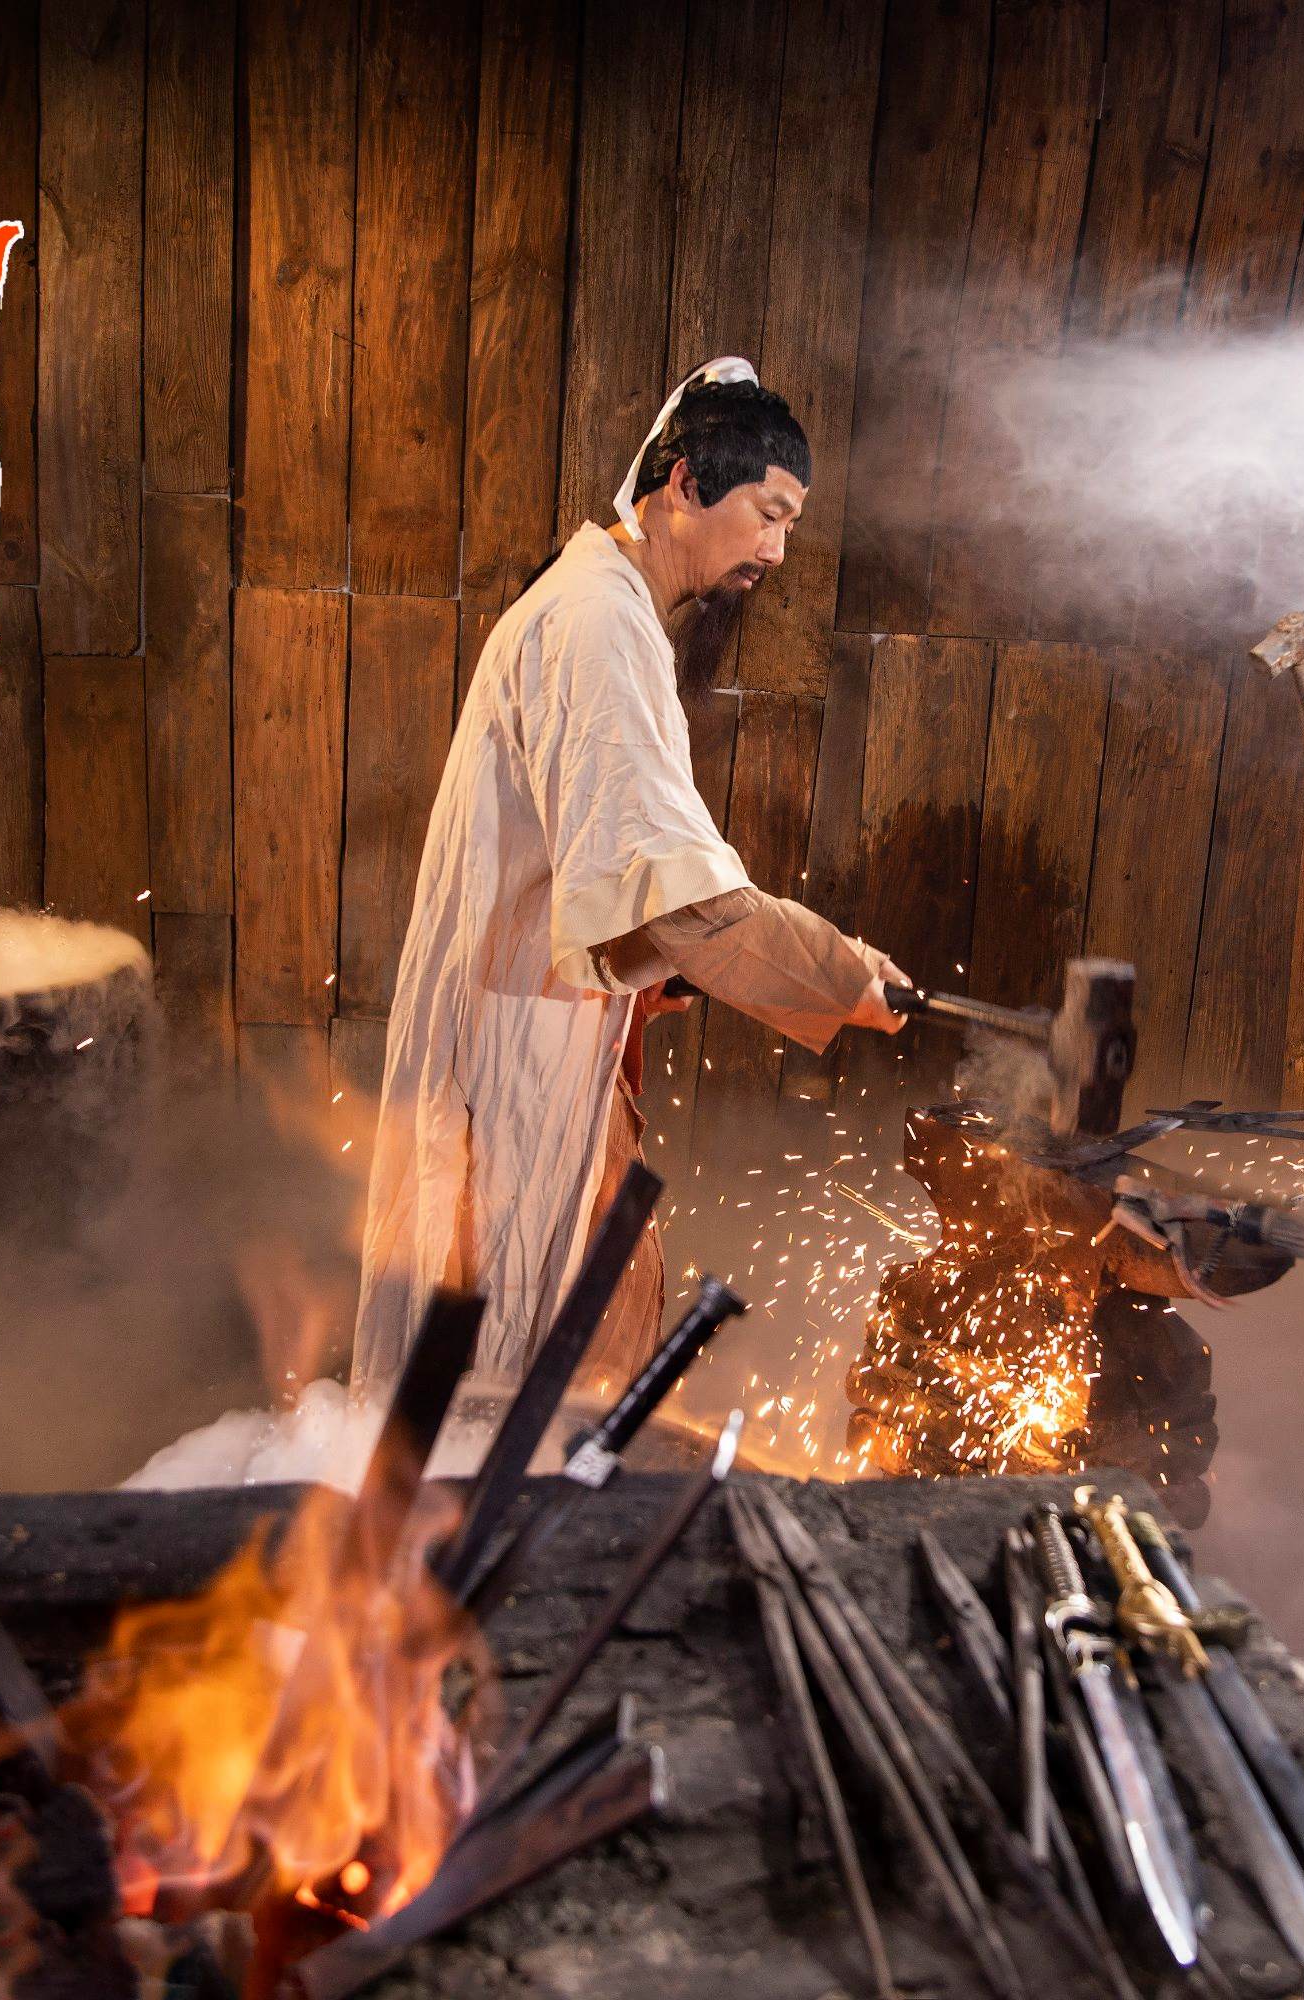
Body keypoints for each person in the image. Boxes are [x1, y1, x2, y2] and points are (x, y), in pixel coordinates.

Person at [354, 360, 909, 1403]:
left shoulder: (610, 610)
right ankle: (472, 1534)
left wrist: (677, 969)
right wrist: (838, 976)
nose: (778, 549)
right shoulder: (596, 619)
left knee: (545, 1316)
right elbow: (677, 897)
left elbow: (612, 877)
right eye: (769, 514)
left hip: (541, 1016)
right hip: (508, 1034)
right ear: (688, 482)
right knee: (498, 1334)